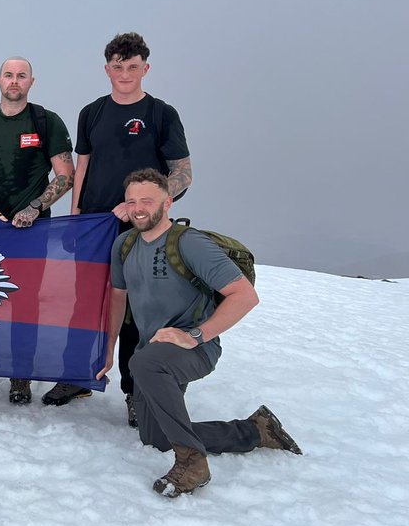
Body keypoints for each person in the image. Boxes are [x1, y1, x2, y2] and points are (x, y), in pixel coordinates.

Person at [100, 169, 301, 497]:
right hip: (152, 353)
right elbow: (118, 299)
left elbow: (245, 295)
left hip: (194, 348)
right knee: (155, 437)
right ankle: (255, 431)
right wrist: (108, 347)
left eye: (147, 201)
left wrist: (194, 335)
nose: (138, 208)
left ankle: (192, 463)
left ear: (167, 203)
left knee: (145, 365)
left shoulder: (189, 243)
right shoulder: (124, 245)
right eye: (132, 201)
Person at [45, 31, 193, 416]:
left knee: (136, 310)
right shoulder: (91, 112)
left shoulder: (162, 114)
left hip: (144, 230)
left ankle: (136, 391)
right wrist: (75, 215)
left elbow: (182, 174)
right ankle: (77, 377)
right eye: (117, 66)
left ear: (145, 68)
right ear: (106, 68)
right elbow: (84, 167)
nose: (124, 74)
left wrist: (142, 205)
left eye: (132, 67)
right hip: (95, 225)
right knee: (84, 302)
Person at [0, 57, 74, 398]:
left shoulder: (46, 122)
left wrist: (34, 208)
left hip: (30, 229)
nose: (14, 81)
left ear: (31, 82)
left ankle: (21, 374)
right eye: (9, 75)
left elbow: (66, 175)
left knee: (26, 301)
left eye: (21, 76)